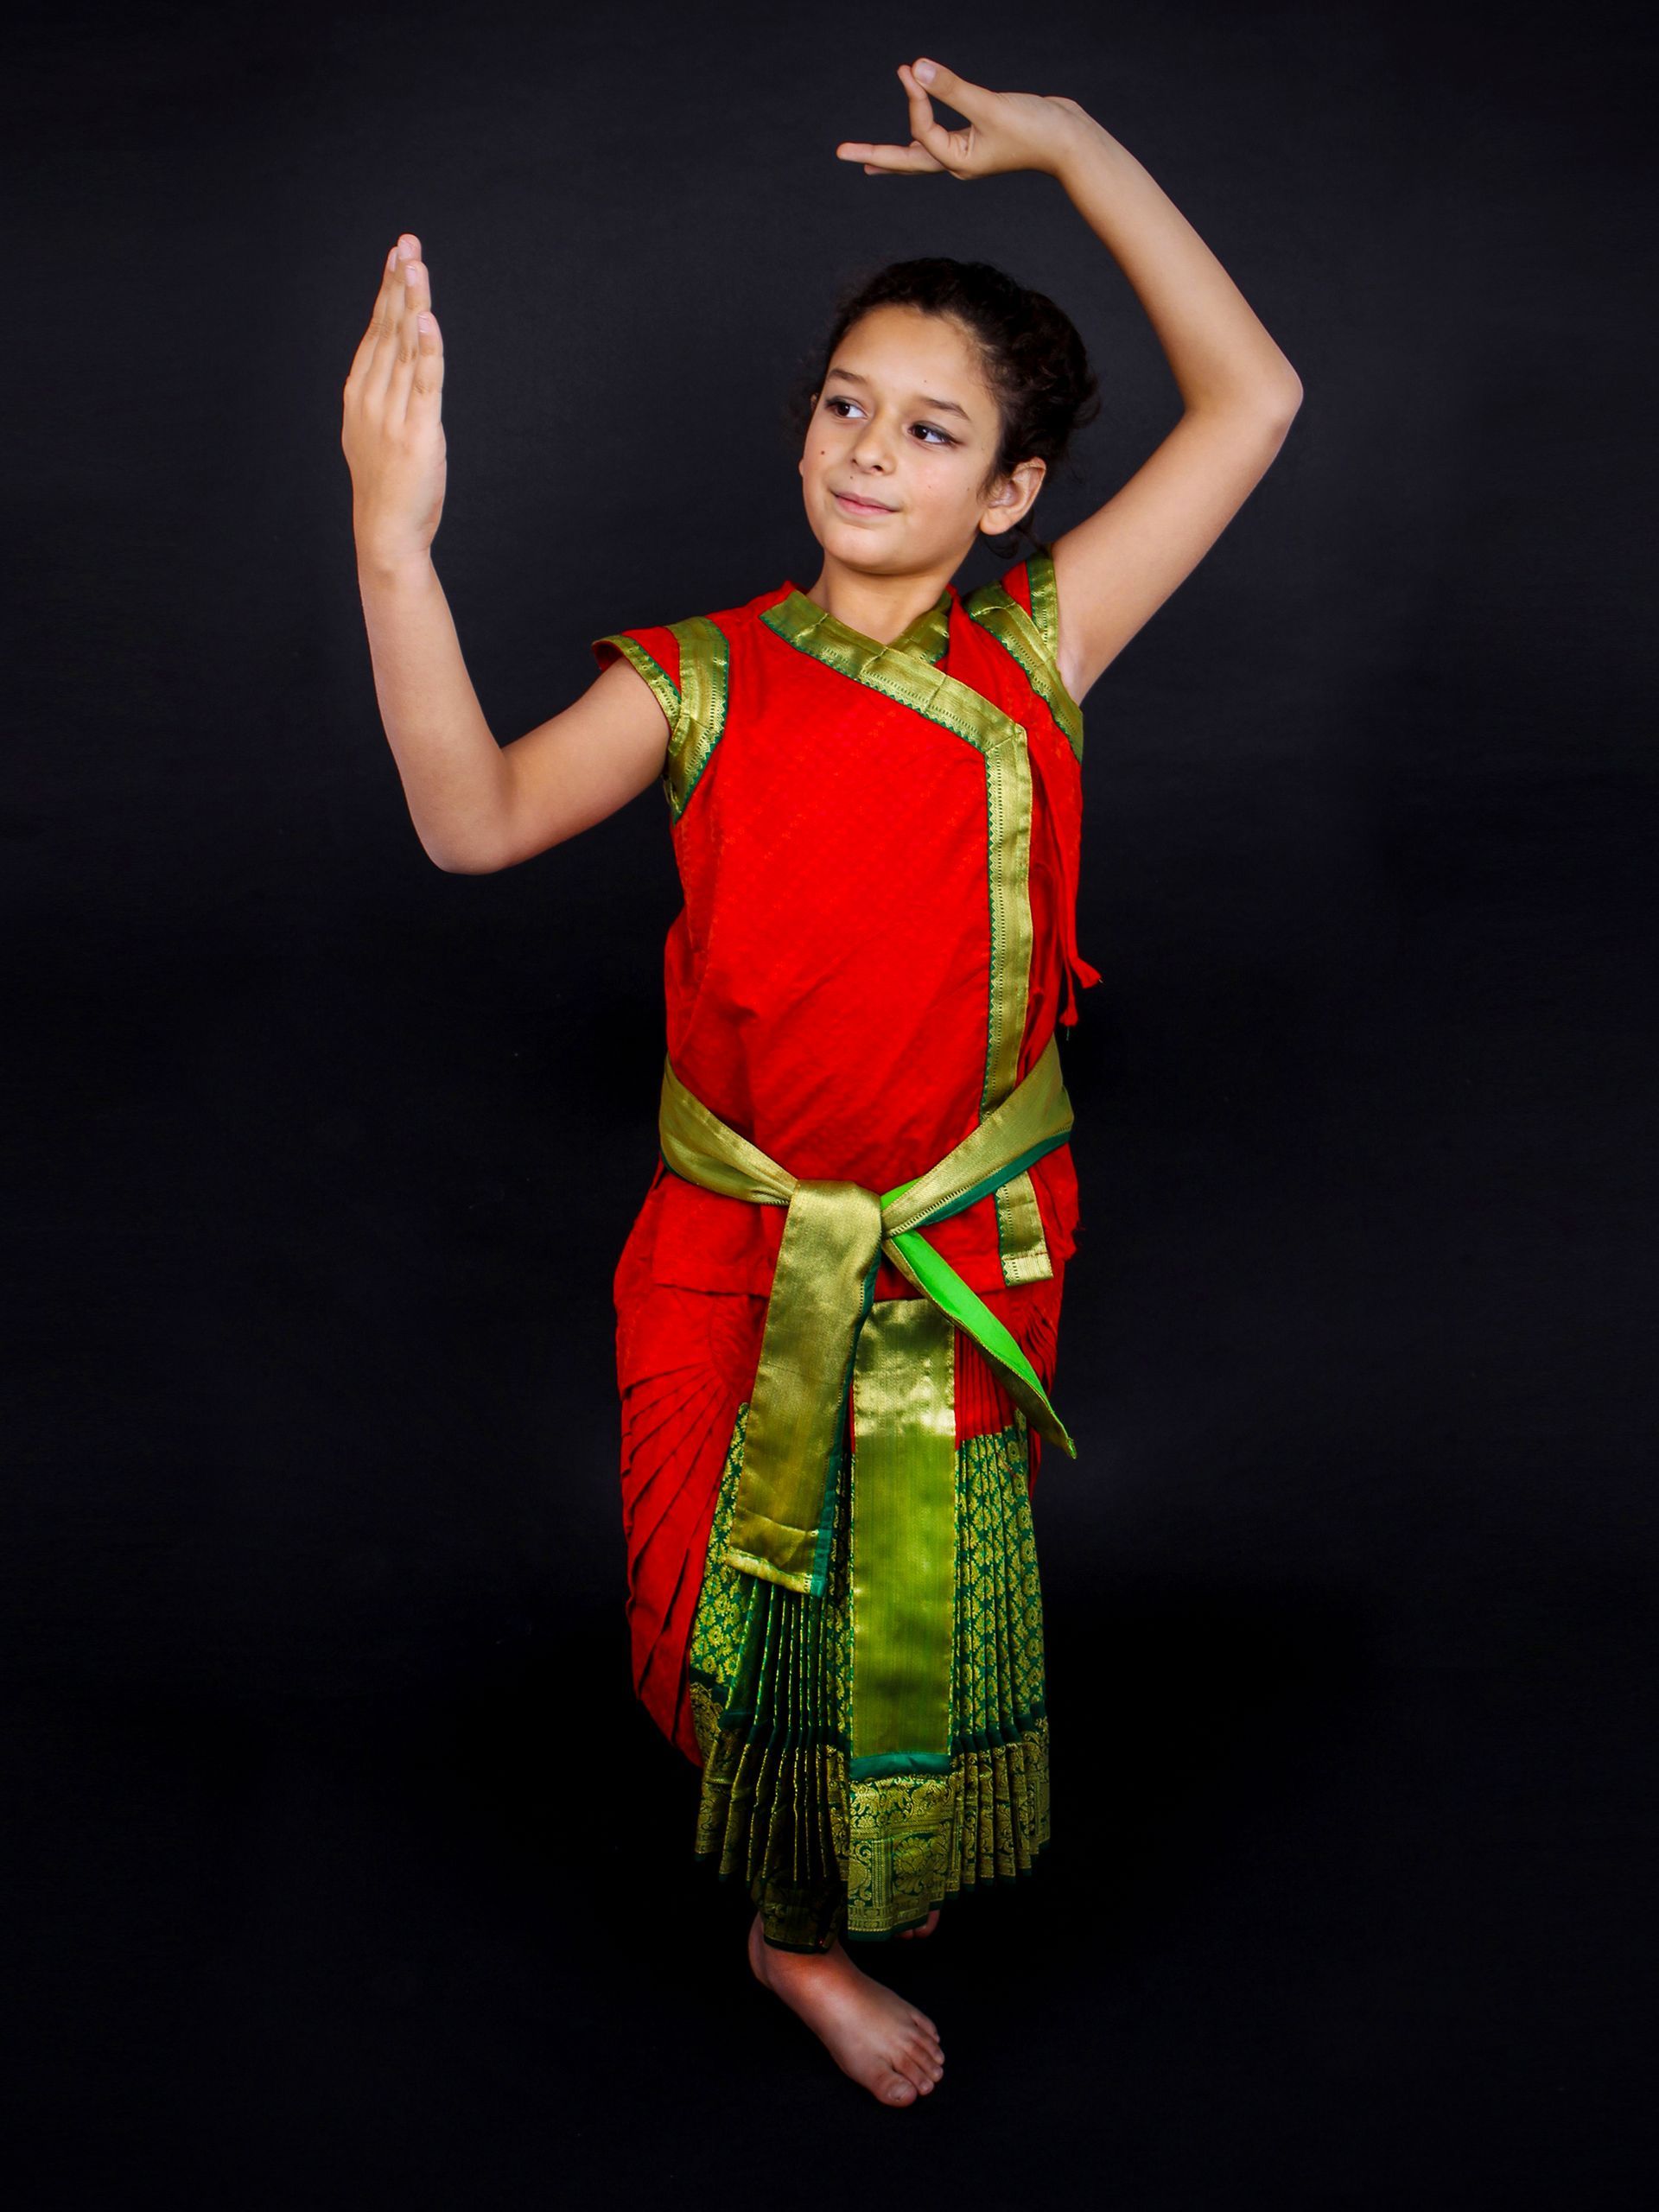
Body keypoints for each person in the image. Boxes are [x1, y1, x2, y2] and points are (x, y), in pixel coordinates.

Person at [340, 56, 1302, 2109]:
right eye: (846, 403)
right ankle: (796, 1931)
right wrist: (393, 544)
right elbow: (473, 818)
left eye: (935, 428)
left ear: (1011, 492)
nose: (873, 450)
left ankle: (849, 1879)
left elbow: (1259, 403)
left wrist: (1073, 153)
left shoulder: (1034, 655)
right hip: (737, 1256)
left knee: (921, 1628)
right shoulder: (692, 678)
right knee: (752, 1644)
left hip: (959, 1246)